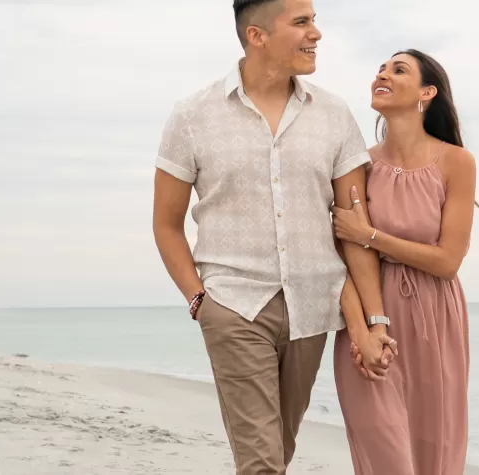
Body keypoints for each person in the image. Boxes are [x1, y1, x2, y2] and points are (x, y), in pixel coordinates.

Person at [151, 1, 395, 473]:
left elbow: (353, 229)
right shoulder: (193, 116)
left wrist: (373, 321)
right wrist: (199, 301)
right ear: (257, 35)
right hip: (234, 304)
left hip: (312, 309)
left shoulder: (334, 114)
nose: (316, 33)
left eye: (314, 20)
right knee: (261, 461)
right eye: (301, 22)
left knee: (277, 451)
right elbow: (166, 222)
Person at [331, 49, 478, 475]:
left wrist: (371, 236)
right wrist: (365, 328)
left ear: (427, 93)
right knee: (385, 456)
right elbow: (341, 256)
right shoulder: (358, 165)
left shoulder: (456, 162)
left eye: (398, 70)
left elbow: (448, 261)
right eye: (380, 69)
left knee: (435, 454)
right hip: (369, 315)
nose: (383, 75)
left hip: (436, 319)